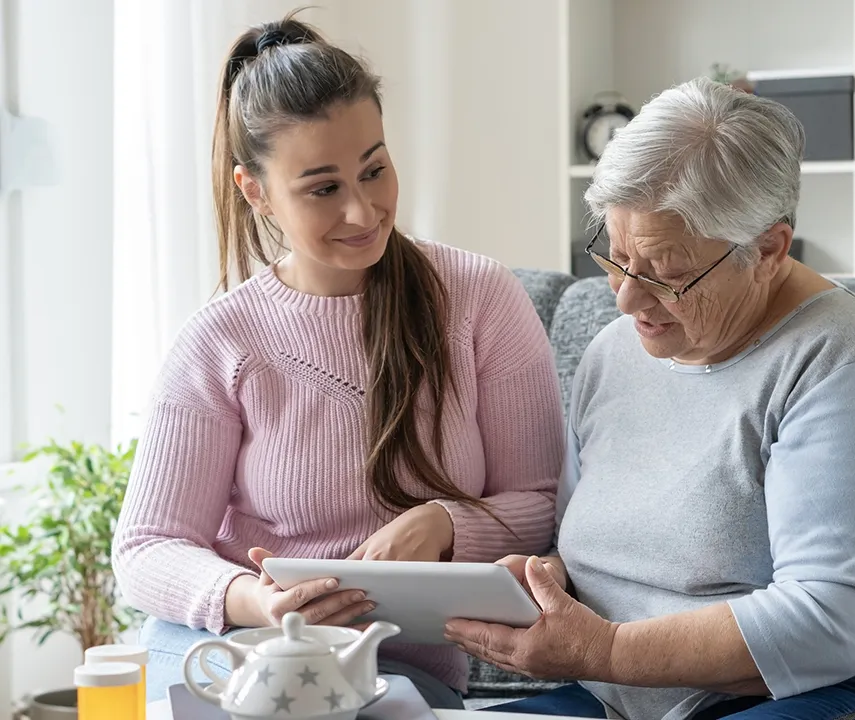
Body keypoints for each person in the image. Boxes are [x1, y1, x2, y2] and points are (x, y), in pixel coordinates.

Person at [444, 77, 855, 719]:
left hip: (845, 691)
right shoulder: (616, 351)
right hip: (627, 693)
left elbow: (835, 620)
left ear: (768, 249)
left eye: (666, 272)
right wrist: (547, 582)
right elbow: (591, 546)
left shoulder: (843, 361)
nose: (626, 299)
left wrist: (605, 651)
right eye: (616, 254)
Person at [111, 13, 564, 708]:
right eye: (323, 188)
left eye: (375, 169)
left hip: (388, 673)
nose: (364, 211)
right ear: (254, 191)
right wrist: (257, 601)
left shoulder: (478, 298)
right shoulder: (220, 339)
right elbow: (146, 548)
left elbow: (542, 504)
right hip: (235, 650)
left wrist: (445, 523)